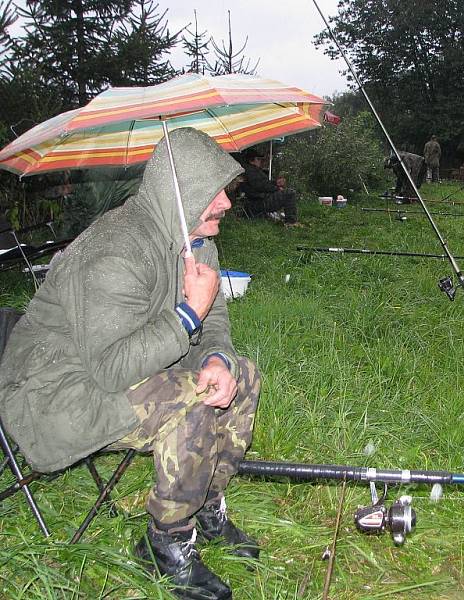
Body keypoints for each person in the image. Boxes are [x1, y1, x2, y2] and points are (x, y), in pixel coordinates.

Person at [0, 128, 261, 600]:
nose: (224, 202)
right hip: (58, 389)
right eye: (213, 191)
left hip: (118, 368)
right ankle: (164, 542)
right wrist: (187, 315)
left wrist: (219, 357)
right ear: (179, 196)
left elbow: (215, 318)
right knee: (191, 395)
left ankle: (204, 502)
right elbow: (112, 369)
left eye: (225, 189)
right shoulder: (115, 249)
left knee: (241, 374)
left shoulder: (196, 240)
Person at [239, 148, 300, 225]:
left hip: (260, 200)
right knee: (290, 193)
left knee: (288, 192)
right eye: (258, 159)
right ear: (251, 160)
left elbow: (263, 183)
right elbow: (260, 186)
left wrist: (275, 183)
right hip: (259, 203)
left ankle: (290, 220)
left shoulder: (252, 170)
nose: (260, 161)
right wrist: (277, 188)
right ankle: (291, 222)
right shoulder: (250, 171)